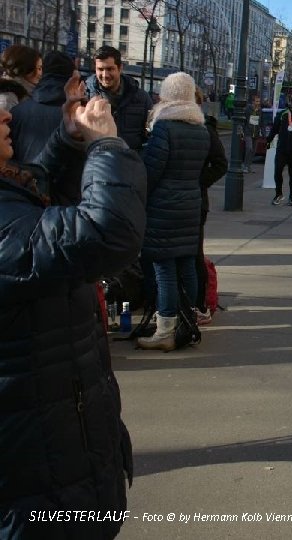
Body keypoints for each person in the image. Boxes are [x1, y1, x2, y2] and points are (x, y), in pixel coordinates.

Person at [0, 73, 145, 539]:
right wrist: (107, 146)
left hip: (56, 441)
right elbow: (104, 233)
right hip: (37, 478)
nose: (6, 115)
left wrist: (65, 140)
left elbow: (33, 195)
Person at [136, 72, 211, 351]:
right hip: (190, 204)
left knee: (163, 268)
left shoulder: (164, 128)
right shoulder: (200, 129)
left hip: (163, 207)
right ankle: (186, 322)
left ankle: (165, 329)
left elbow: (151, 171)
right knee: (186, 266)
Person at [10, 51, 80, 205]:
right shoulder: (79, 116)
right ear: (71, 77)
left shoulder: (17, 112)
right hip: (66, 204)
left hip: (26, 197)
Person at [193, 86, 228, 326]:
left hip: (195, 201)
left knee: (194, 255)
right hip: (171, 202)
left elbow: (220, 164)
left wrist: (197, 183)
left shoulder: (205, 129)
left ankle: (199, 304)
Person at [85, 45, 153, 150]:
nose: (105, 75)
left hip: (129, 163)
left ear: (120, 68)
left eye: (110, 69)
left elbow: (150, 136)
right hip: (98, 162)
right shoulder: (86, 95)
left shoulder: (142, 98)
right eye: (100, 69)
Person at [266, 94, 292, 205]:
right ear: (291, 103)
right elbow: (274, 128)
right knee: (277, 171)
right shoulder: (282, 114)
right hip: (282, 149)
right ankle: (278, 194)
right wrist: (268, 140)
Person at [0, 44, 42, 111]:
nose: (41, 73)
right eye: (39, 68)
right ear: (25, 69)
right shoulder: (8, 99)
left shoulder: (27, 92)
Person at [242, 94, 262, 172]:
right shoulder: (248, 109)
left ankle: (249, 166)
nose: (258, 103)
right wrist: (243, 131)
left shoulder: (260, 110)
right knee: (249, 148)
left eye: (259, 101)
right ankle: (245, 166)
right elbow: (244, 120)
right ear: (253, 102)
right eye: (257, 101)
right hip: (248, 133)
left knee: (253, 151)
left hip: (256, 133)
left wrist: (262, 132)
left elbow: (261, 122)